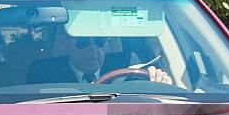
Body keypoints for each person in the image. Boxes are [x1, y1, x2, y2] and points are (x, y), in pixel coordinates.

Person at [27, 31, 172, 84]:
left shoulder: (126, 66)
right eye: (82, 42)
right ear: (65, 44)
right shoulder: (44, 72)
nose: (93, 49)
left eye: (100, 41)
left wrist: (159, 82)